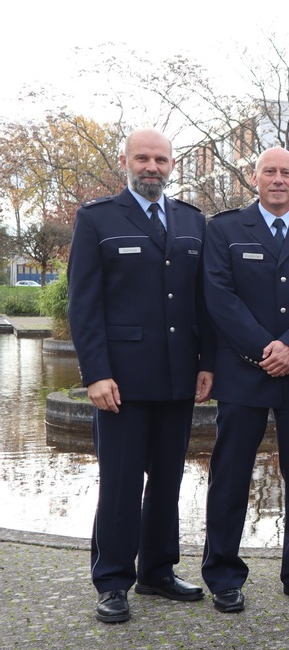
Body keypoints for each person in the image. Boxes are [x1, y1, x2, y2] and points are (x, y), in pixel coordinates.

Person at [67, 128, 213, 623]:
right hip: (121, 382)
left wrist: (208, 362)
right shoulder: (97, 218)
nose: (152, 167)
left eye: (161, 160)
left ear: (173, 165)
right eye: (143, 158)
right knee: (121, 483)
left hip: (177, 375)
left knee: (168, 480)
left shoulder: (192, 221)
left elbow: (203, 301)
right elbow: (84, 304)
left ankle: (157, 571)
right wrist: (95, 374)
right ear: (126, 161)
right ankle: (112, 581)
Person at [200, 147, 289, 611]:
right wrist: (265, 349)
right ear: (254, 178)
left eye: (286, 173)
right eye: (269, 172)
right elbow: (219, 296)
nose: (278, 179)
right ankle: (223, 576)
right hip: (244, 371)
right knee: (230, 477)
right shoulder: (223, 229)